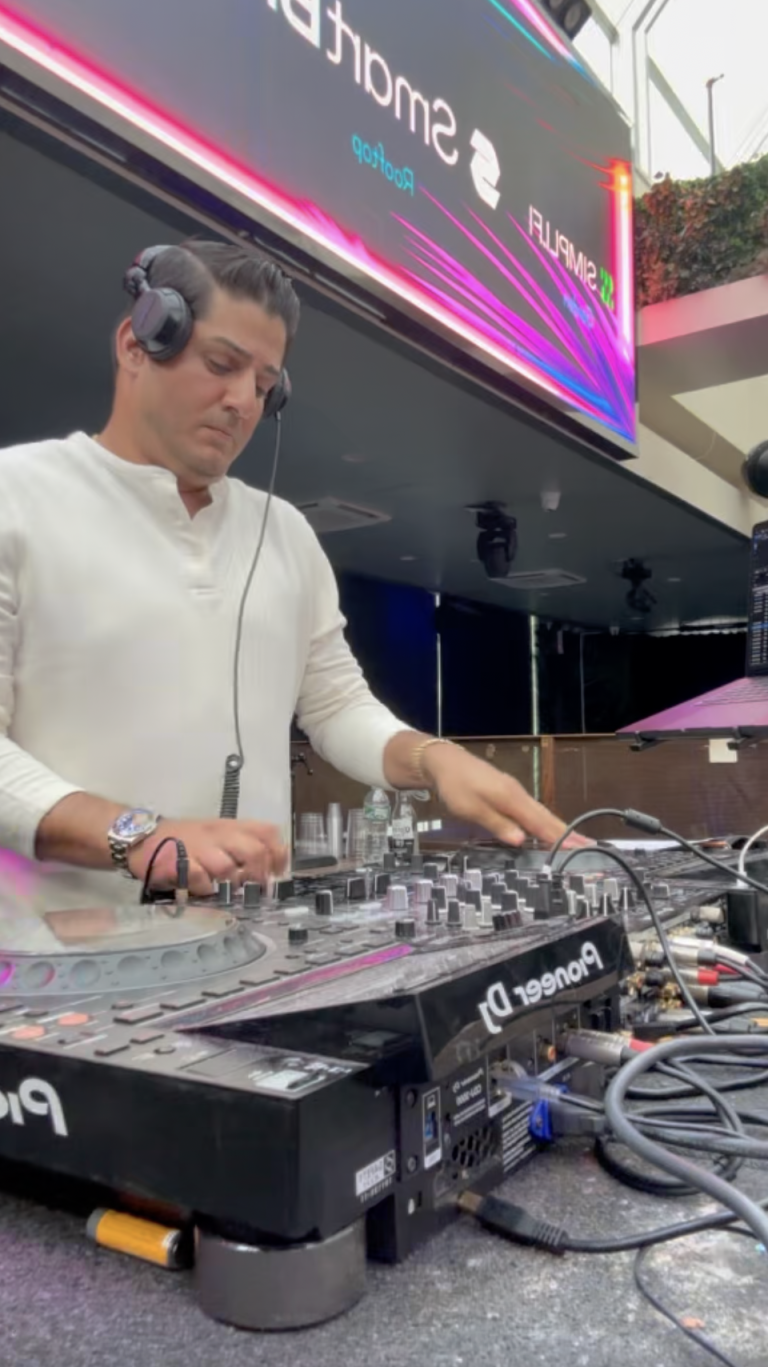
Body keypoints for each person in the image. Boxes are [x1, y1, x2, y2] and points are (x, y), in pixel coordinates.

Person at [0, 240, 577, 913]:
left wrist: (432, 758)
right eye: (222, 365)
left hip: (254, 949)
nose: (242, 402)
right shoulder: (16, 496)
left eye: (264, 386)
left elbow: (335, 705)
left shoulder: (285, 532)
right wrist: (139, 836)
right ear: (137, 344)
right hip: (50, 960)